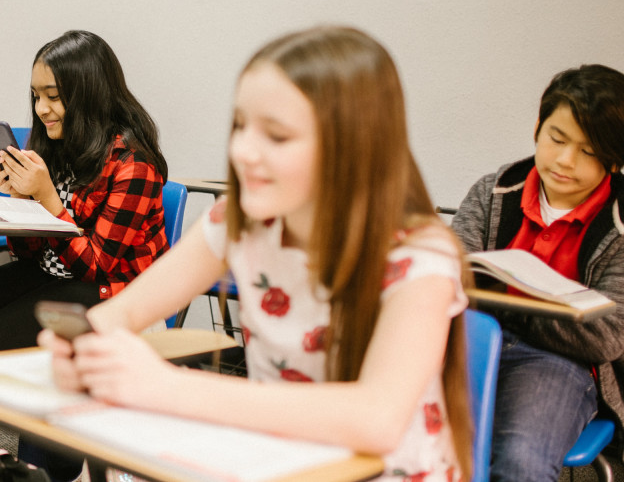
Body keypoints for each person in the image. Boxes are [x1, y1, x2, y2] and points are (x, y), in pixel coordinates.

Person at [41, 26, 474, 481]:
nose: (243, 151)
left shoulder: (421, 257)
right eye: (241, 126)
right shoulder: (239, 222)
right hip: (275, 458)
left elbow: (377, 419)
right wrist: (82, 349)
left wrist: (167, 387)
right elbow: (122, 312)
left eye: (278, 136)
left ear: (354, 146)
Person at [0, 30, 169, 477]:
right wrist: (19, 199)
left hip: (114, 292)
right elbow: (31, 251)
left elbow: (98, 264)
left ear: (87, 94)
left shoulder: (134, 164)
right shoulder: (55, 145)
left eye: (54, 96)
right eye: (36, 96)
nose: (41, 109)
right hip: (59, 276)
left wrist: (49, 200)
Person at [451, 64, 624, 481]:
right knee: (407, 438)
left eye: (588, 151)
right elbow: (448, 280)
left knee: (519, 462)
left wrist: (511, 310)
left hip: (559, 362)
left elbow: (606, 336)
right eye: (557, 139)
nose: (566, 161)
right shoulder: (494, 191)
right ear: (537, 128)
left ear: (615, 159)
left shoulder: (620, 226)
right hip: (468, 342)